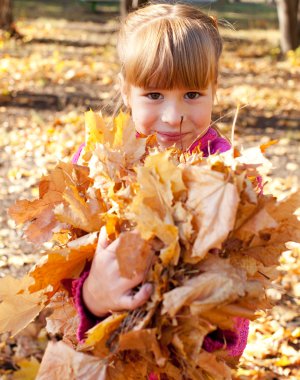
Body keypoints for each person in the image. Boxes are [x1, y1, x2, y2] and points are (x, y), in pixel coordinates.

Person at [72, 0, 247, 367]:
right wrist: (91, 297)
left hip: (189, 362)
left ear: (214, 90)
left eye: (192, 94)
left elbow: (241, 297)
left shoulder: (231, 176)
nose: (173, 117)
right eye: (154, 95)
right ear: (125, 92)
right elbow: (61, 269)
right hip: (109, 359)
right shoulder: (96, 164)